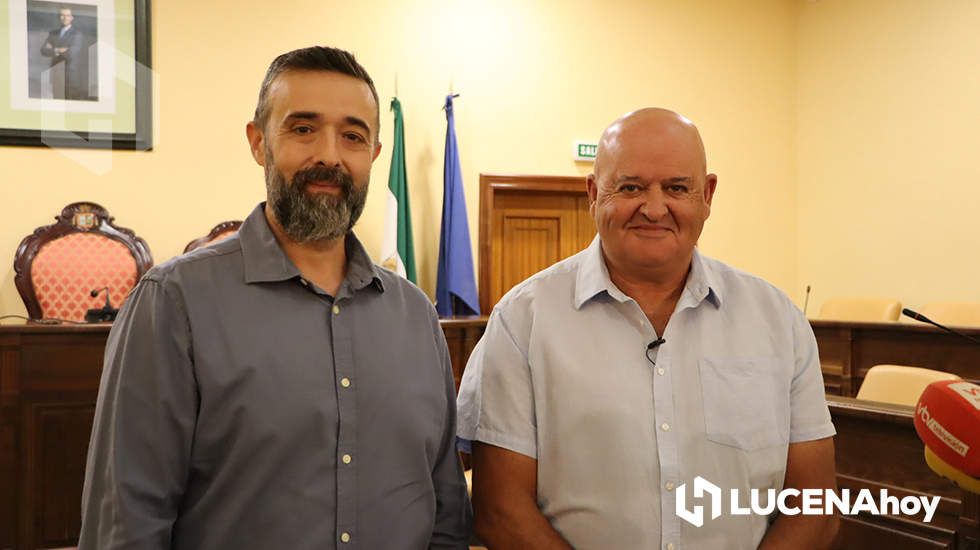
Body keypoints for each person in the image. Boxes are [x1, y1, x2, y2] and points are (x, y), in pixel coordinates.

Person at [80, 46, 471, 549]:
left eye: (352, 136)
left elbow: (444, 512)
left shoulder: (415, 315)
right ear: (258, 142)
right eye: (303, 129)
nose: (330, 155)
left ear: (373, 155)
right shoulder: (173, 304)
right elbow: (127, 524)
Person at [457, 108, 838, 549]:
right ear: (593, 192)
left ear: (707, 194)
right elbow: (501, 511)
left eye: (677, 188)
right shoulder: (522, 321)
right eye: (631, 187)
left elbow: (815, 507)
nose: (654, 209)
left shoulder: (778, 321)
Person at [40, 7, 87, 100]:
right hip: (55, 74)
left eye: (67, 15)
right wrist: (58, 50)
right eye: (62, 15)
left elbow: (71, 54)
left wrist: (53, 49)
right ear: (59, 17)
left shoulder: (77, 34)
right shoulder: (53, 33)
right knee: (57, 103)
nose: (65, 18)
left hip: (69, 76)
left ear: (72, 18)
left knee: (69, 105)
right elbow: (43, 50)